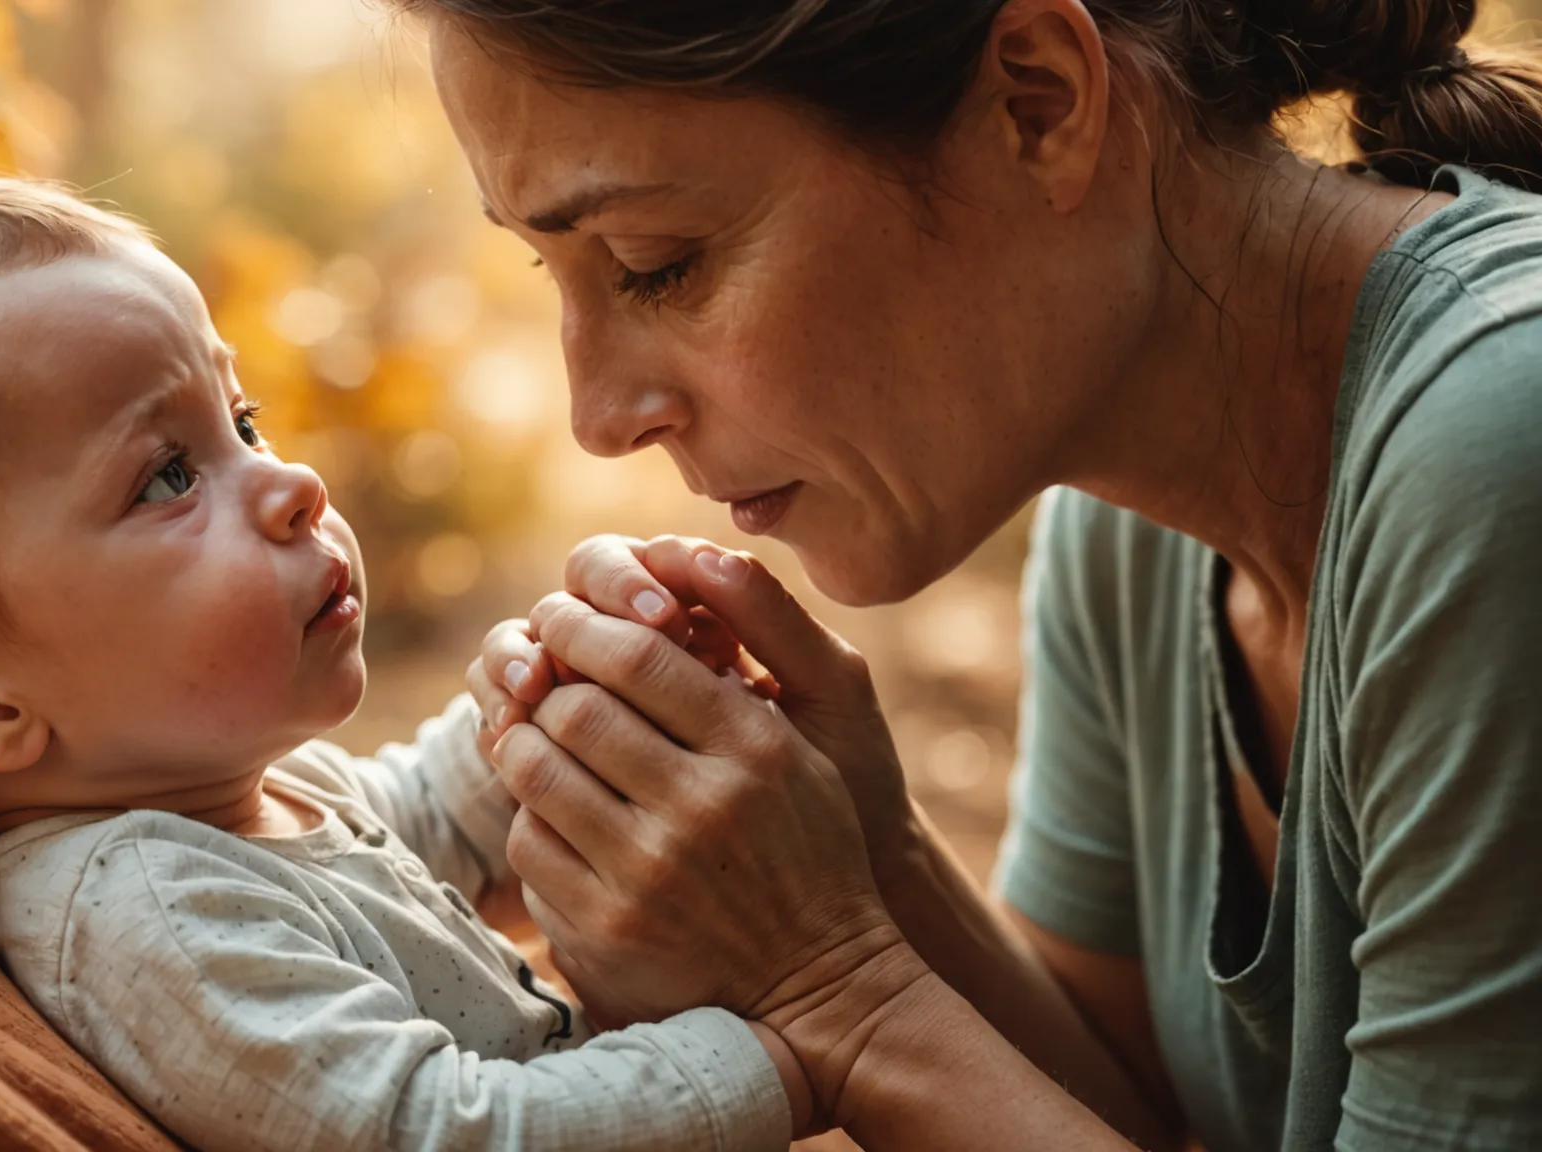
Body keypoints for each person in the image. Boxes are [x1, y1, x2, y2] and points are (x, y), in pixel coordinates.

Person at [421, 0, 1542, 1148]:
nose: (597, 418)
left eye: (657, 265)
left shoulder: (1503, 437)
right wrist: (874, 860)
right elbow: (1119, 1107)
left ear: (1037, 106)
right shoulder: (1131, 526)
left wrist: (834, 986)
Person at [0, 177, 822, 1151]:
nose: (293, 485)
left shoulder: (229, 793)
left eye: (240, 423)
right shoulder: (146, 922)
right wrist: (780, 1050)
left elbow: (414, 820)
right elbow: (438, 1133)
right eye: (168, 476)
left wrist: (555, 702)